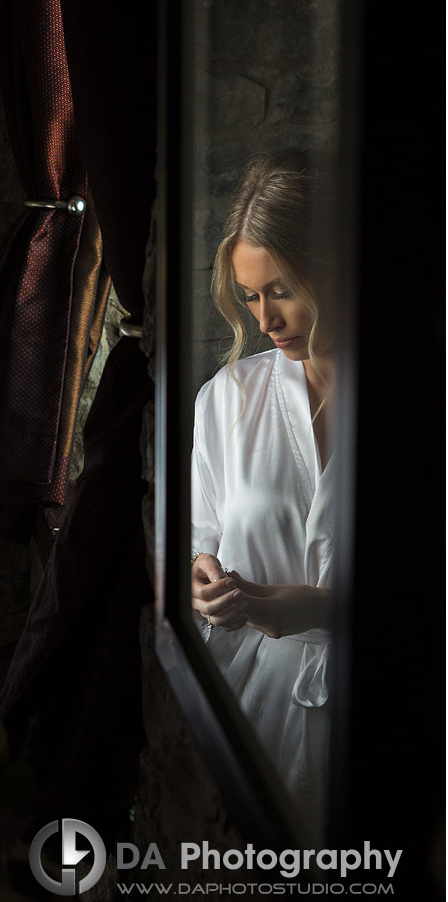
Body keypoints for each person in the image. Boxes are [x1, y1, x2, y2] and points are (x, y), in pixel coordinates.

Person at [190, 152, 335, 835]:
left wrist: (329, 611)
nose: (263, 319)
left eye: (279, 289)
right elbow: (197, 545)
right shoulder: (228, 400)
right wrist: (204, 584)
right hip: (253, 713)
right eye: (248, 296)